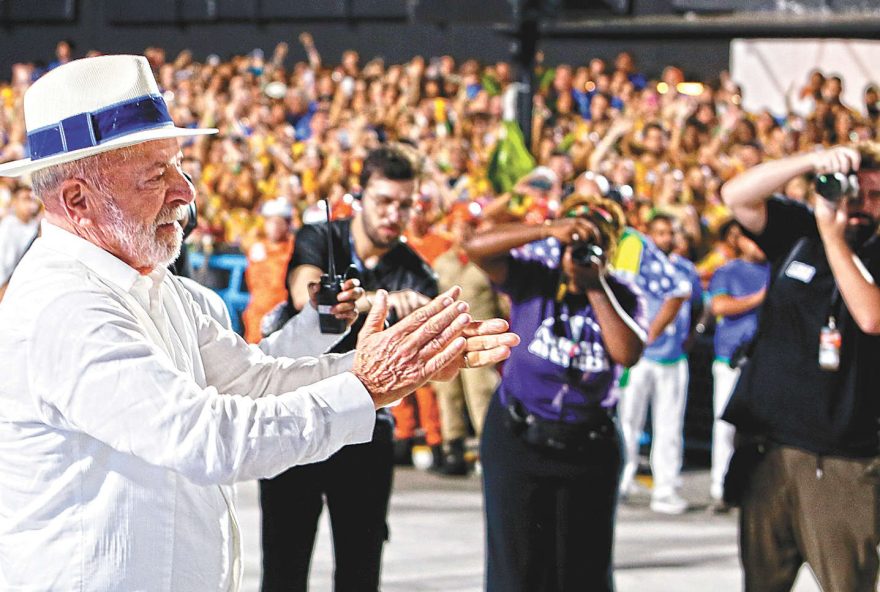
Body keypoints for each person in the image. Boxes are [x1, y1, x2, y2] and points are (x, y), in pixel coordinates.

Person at [0, 55, 517, 591]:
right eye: (156, 175)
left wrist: (382, 369)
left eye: (178, 166)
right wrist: (369, 384)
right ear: (78, 200)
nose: (186, 192)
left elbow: (254, 379)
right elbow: (204, 436)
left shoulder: (150, 285)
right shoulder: (65, 307)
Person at [260, 144, 445, 591]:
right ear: (360, 198)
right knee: (284, 566)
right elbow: (306, 296)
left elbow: (430, 355)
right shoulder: (321, 237)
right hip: (298, 414)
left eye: (405, 204)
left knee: (360, 570)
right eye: (384, 201)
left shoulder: (417, 272)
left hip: (365, 426)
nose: (394, 214)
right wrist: (375, 302)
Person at [466, 193, 645, 592]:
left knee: (583, 575)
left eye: (592, 244)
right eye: (573, 244)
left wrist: (595, 287)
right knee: (516, 572)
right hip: (518, 437)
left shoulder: (621, 294)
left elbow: (627, 353)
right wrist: (547, 229)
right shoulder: (534, 278)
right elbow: (475, 247)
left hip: (588, 446)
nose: (577, 253)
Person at [721, 143, 880, 592]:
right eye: (852, 192)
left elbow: (871, 317)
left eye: (874, 196)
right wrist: (812, 160)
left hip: (841, 461)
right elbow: (736, 196)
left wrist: (833, 236)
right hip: (769, 450)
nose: (860, 206)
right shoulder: (798, 230)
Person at [613, 216, 693, 514]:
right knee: (628, 421)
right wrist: (644, 338)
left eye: (670, 232)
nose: (665, 238)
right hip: (641, 357)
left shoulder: (684, 268)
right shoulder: (639, 258)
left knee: (669, 425)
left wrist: (687, 337)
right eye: (659, 232)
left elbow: (692, 301)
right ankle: (621, 481)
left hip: (673, 356)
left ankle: (665, 489)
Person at [430, 204, 506, 475]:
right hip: (447, 335)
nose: (462, 232)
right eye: (458, 226)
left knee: (481, 392)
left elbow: (502, 302)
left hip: (480, 335)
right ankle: (453, 448)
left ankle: (491, 448)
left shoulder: (487, 262)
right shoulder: (441, 263)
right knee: (448, 393)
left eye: (468, 226)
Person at [705, 225, 769, 511]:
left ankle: (757, 491)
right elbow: (719, 306)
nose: (757, 245)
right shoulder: (727, 271)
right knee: (725, 426)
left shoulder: (776, 268)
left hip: (765, 360)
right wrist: (759, 298)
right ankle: (721, 489)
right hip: (730, 358)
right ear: (738, 240)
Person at [242, 196, 295, 343]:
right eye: (271, 221)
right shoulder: (257, 249)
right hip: (258, 314)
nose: (274, 226)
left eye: (279, 222)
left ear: (287, 224)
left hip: (284, 313)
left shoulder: (294, 249)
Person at [0, 184, 40, 301]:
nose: (30, 204)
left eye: (32, 199)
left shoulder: (35, 226)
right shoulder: (8, 226)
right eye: (25, 199)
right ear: (15, 202)